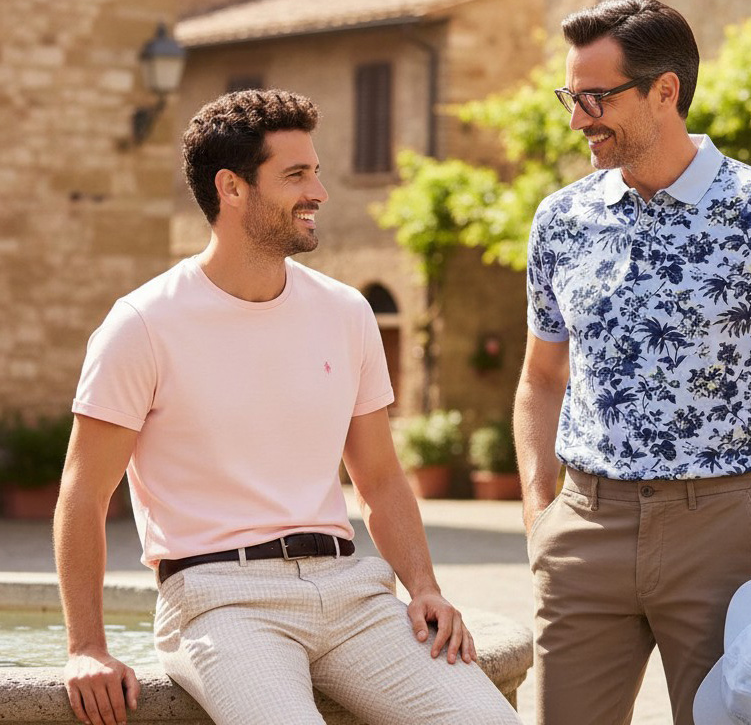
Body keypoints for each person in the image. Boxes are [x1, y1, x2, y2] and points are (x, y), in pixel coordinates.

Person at [55, 89, 522, 725]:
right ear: (232, 188)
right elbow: (83, 493)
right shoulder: (142, 324)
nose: (319, 192)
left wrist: (425, 588)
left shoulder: (346, 312)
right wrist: (87, 647)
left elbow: (380, 478)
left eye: (317, 171)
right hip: (220, 601)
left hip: (350, 592)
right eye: (296, 174)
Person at [514, 0, 751, 725]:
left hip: (720, 532)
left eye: (596, 98)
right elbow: (541, 377)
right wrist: (539, 512)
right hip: (584, 528)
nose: (578, 118)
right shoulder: (561, 219)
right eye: (570, 97)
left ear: (664, 91)